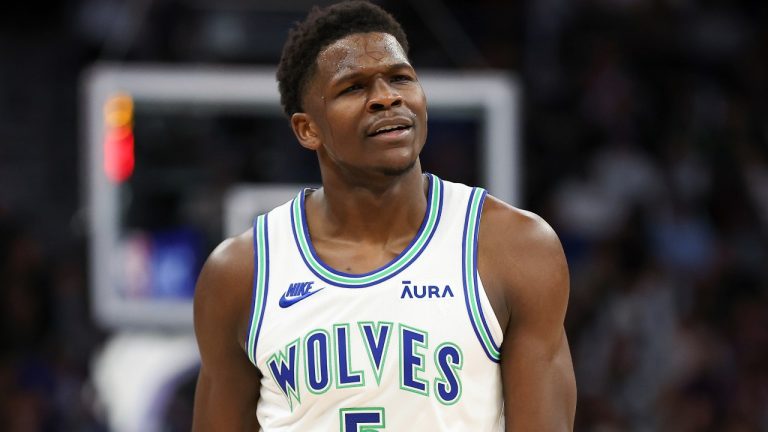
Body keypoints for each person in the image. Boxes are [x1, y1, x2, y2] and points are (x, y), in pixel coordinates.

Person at [191, 1, 576, 430]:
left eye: (399, 78)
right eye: (353, 87)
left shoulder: (514, 248)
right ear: (307, 129)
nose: (386, 97)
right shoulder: (240, 273)